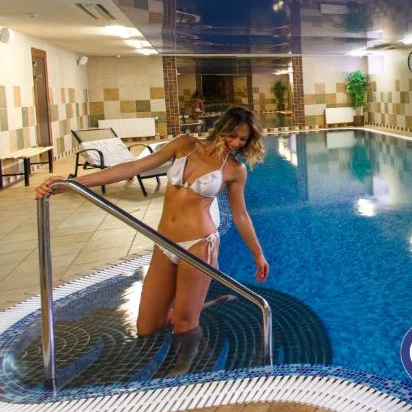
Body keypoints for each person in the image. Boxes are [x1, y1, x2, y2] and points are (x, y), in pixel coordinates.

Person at [36, 106, 269, 375]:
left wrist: (258, 254)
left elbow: (240, 215)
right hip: (165, 242)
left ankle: (193, 369)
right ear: (221, 128)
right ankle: (171, 339)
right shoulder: (185, 145)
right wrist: (72, 183)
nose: (236, 143)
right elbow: (133, 167)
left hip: (198, 245)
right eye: (233, 135)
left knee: (184, 323)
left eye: (243, 140)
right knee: (147, 324)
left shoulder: (234, 169)